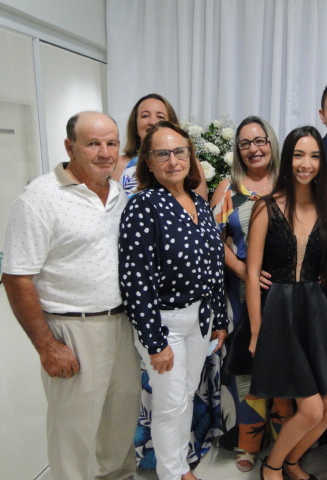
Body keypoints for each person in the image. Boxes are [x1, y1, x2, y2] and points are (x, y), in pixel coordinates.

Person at [2, 111, 141, 480]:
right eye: (93, 143)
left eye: (111, 143)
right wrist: (47, 347)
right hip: (72, 328)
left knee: (120, 424)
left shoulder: (118, 193)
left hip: (121, 324)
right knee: (73, 434)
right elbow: (16, 277)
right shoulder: (41, 197)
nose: (105, 153)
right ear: (70, 147)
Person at [119, 120, 228, 480]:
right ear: (148, 162)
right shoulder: (142, 206)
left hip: (200, 319)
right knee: (169, 405)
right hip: (164, 324)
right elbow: (135, 280)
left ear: (190, 156)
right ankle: (172, 473)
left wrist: (220, 320)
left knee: (185, 397)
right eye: (162, 154)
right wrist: (155, 342)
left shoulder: (197, 201)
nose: (173, 160)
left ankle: (180, 467)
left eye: (180, 152)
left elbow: (213, 264)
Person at [246, 126, 327, 480]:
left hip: (317, 313)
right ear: (287, 158)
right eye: (299, 155)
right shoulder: (265, 207)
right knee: (311, 409)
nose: (306, 164)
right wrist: (256, 331)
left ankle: (291, 462)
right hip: (279, 314)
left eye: (315, 156)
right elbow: (252, 273)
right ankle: (272, 466)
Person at [210, 116, 293, 472]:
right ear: (237, 149)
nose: (253, 149)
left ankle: (283, 442)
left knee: (284, 364)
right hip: (241, 292)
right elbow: (214, 241)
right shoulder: (228, 189)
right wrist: (245, 271)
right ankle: (248, 443)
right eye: (245, 143)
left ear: (271, 143)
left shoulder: (289, 183)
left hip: (285, 293)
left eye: (260, 141)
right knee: (246, 365)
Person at [117, 93, 207, 199]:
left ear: (171, 125)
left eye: (160, 116)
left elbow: (200, 205)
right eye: (145, 116)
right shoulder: (119, 164)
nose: (153, 122)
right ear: (135, 125)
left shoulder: (188, 163)